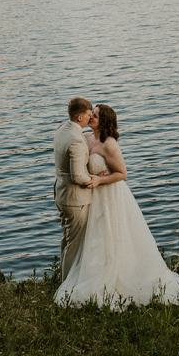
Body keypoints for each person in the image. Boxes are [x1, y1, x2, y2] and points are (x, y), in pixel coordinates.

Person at [54, 102, 179, 308]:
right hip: (93, 197)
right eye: (92, 114)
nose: (91, 117)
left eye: (96, 116)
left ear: (105, 121)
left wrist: (99, 180)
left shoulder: (109, 144)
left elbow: (122, 174)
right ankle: (88, 273)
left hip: (109, 195)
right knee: (94, 239)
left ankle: (117, 276)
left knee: (113, 236)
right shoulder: (86, 138)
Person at [53, 97, 105, 279]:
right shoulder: (76, 140)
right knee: (74, 244)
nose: (91, 117)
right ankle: (68, 285)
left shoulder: (62, 129)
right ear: (79, 118)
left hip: (61, 193)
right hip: (75, 199)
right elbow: (77, 176)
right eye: (88, 114)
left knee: (67, 239)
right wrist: (95, 179)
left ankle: (63, 278)